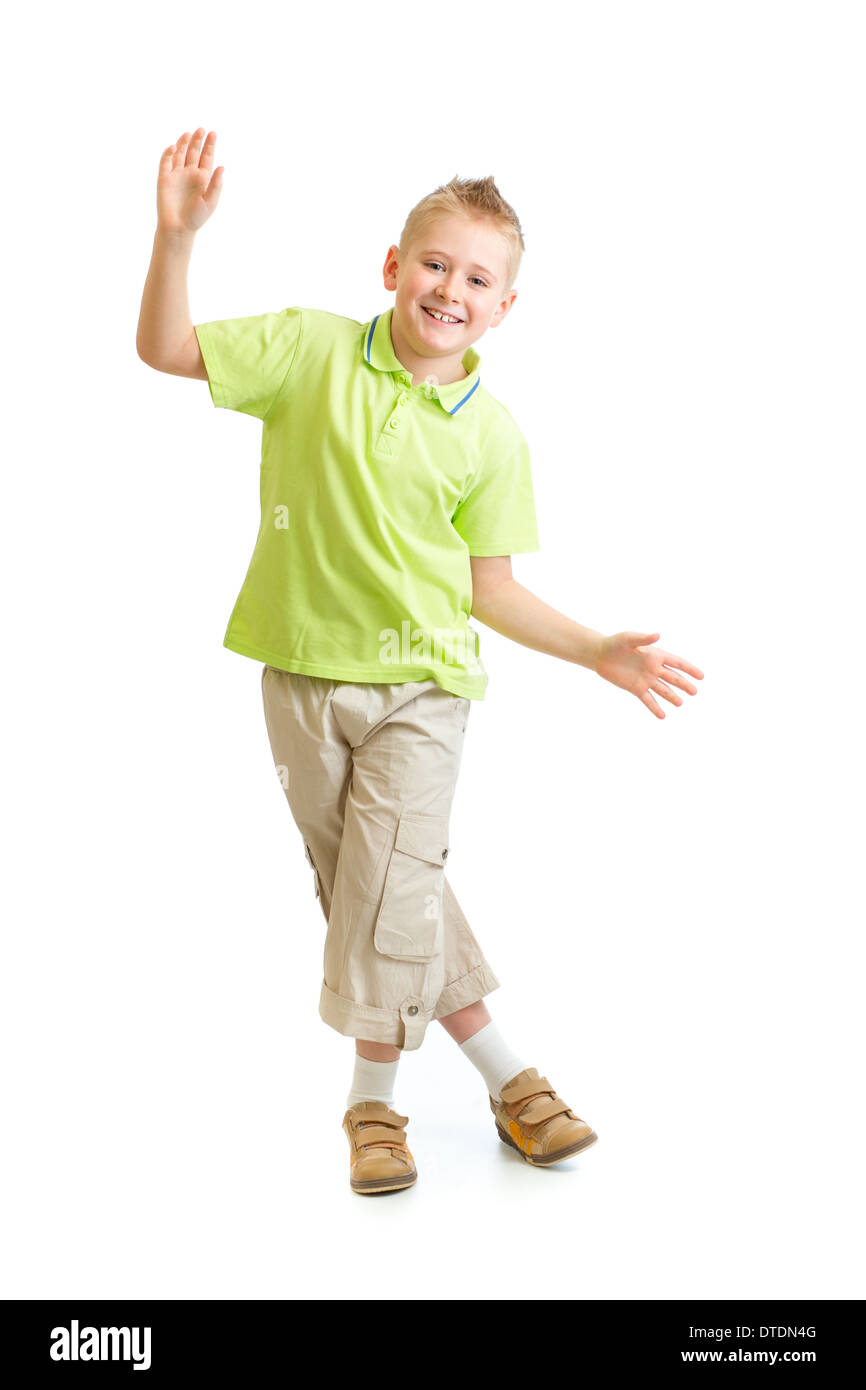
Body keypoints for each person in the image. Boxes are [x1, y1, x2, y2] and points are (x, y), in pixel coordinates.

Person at [136, 127, 705, 1197]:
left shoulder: (492, 436)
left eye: (477, 278)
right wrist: (175, 240)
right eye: (434, 264)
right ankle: (509, 1077)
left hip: (422, 690)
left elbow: (488, 588)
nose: (451, 288)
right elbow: (165, 350)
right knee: (374, 889)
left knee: (387, 889)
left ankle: (372, 1108)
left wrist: (593, 651)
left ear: (503, 309)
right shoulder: (307, 350)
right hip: (296, 677)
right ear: (392, 269)